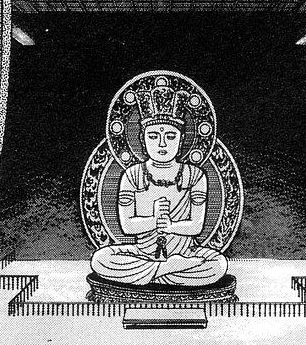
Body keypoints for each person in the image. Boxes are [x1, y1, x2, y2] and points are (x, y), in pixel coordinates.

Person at [90, 78, 229, 288]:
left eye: (171, 136)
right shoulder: (132, 175)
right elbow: (127, 226)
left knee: (218, 264)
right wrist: (155, 220)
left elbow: (196, 226)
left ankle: (153, 273)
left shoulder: (194, 176)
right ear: (142, 139)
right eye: (153, 136)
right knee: (100, 259)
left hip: (185, 252)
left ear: (182, 140)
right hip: (143, 253)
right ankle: (169, 269)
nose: (162, 144)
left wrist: (170, 226)